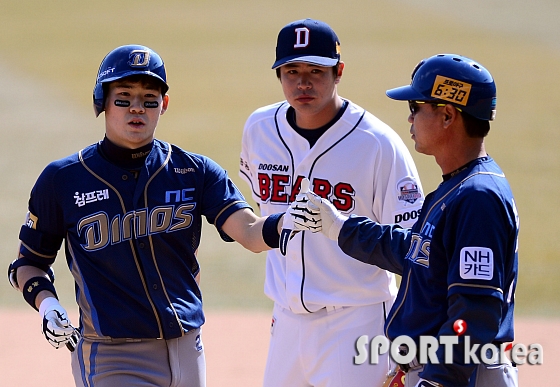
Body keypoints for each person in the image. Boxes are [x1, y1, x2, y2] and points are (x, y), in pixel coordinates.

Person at [7, 44, 287, 387]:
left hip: (188, 349)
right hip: (113, 357)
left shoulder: (193, 171)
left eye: (149, 99)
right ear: (103, 102)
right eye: (123, 97)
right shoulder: (63, 179)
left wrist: (286, 223)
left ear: (163, 105)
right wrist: (47, 304)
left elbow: (251, 233)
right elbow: (28, 264)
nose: (136, 109)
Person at [290, 54, 519, 387]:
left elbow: (474, 313)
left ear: (447, 115)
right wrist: (338, 226)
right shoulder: (459, 186)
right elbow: (417, 254)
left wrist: (437, 381)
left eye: (416, 107)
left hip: (464, 377)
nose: (409, 118)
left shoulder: (477, 198)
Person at [239, 19, 424, 387]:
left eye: (315, 71)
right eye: (291, 71)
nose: (302, 82)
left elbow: (412, 245)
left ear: (338, 72)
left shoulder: (378, 144)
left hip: (357, 321)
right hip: (286, 321)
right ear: (278, 74)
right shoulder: (259, 129)